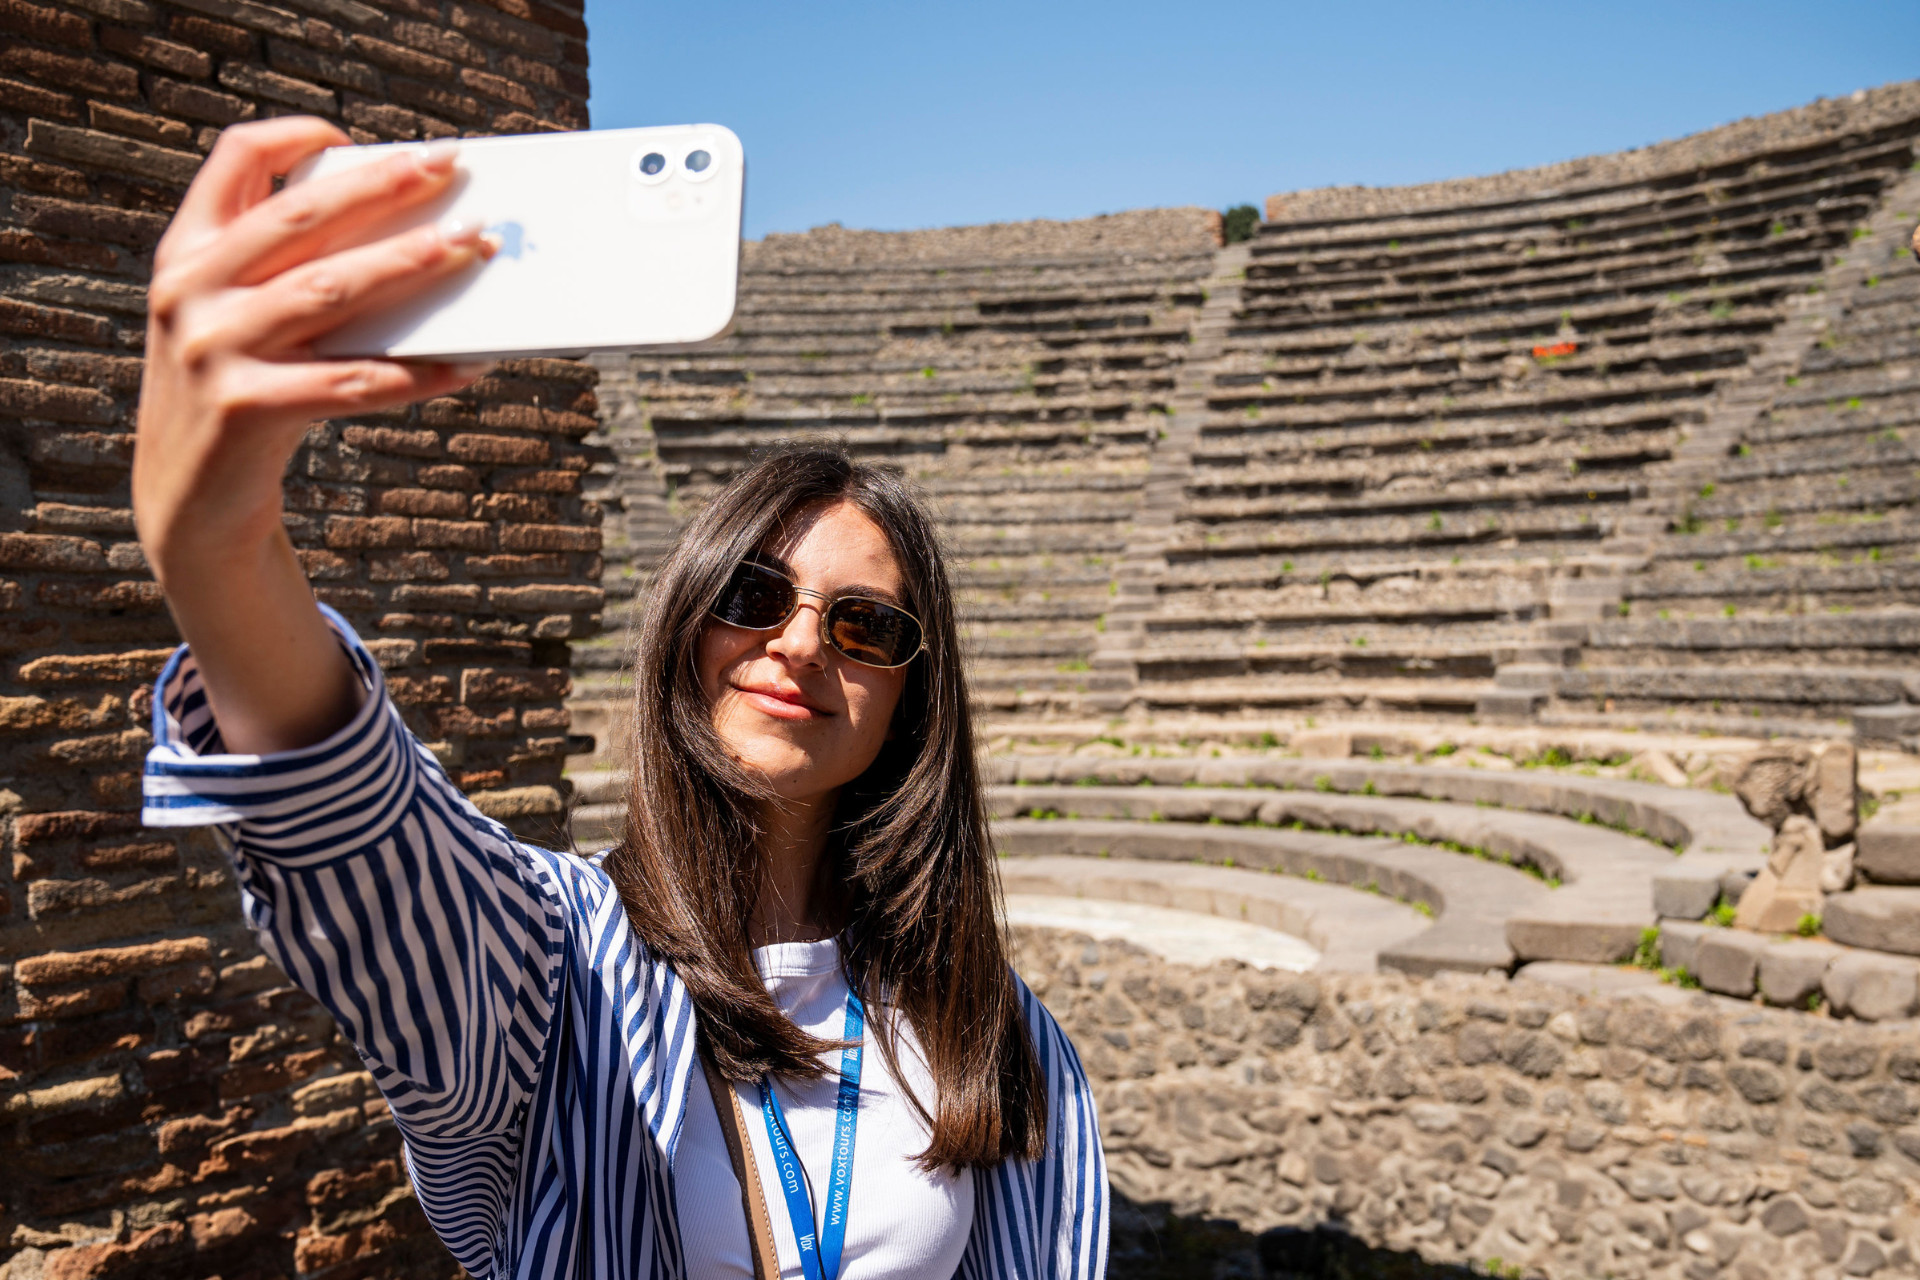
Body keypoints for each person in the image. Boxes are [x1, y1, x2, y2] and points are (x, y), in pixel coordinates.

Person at [135, 116, 1106, 1280]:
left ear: (914, 693)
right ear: (684, 619)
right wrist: (218, 546)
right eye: (754, 593)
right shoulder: (552, 962)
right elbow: (371, 848)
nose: (799, 641)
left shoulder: (994, 1030)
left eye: (866, 625)